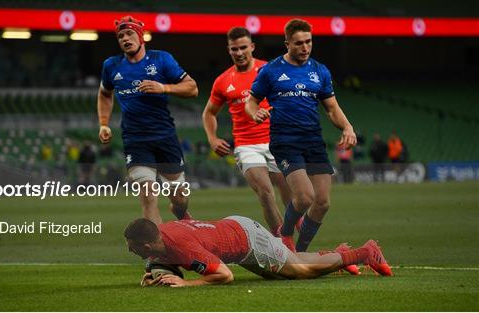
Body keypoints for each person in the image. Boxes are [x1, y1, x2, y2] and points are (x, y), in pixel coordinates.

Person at [245, 19, 357, 253]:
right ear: (287, 44)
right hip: (286, 141)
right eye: (298, 43)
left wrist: (347, 127)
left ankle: (301, 252)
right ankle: (285, 235)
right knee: (305, 197)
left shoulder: (320, 71)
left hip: (313, 141)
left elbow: (332, 108)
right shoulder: (271, 70)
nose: (305, 48)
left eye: (308, 42)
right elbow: (251, 101)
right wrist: (255, 113)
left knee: (323, 203)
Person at [97, 16, 198, 224]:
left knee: (179, 198)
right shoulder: (111, 66)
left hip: (165, 137)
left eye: (130, 33)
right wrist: (104, 123)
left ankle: (181, 214)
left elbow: (192, 88)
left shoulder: (161, 59)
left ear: (141, 36)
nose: (125, 38)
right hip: (135, 140)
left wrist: (164, 87)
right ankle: (157, 252)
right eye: (120, 36)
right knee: (148, 196)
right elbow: (104, 93)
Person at [124, 216, 392, 287]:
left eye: (132, 246)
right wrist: (156, 274)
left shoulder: (181, 246)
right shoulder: (159, 240)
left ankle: (364, 252)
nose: (129, 250)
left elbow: (225, 276)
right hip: (234, 234)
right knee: (287, 270)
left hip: (247, 240)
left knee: (301, 272)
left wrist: (186, 283)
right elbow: (161, 260)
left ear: (146, 245)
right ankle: (337, 254)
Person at [202, 27, 292, 236]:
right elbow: (209, 113)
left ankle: (300, 235)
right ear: (229, 50)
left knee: (293, 199)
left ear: (252, 47)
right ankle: (283, 245)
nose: (239, 52)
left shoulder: (269, 70)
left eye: (243, 47)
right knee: (265, 192)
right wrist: (212, 138)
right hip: (246, 145)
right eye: (235, 49)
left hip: (277, 141)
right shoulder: (223, 81)